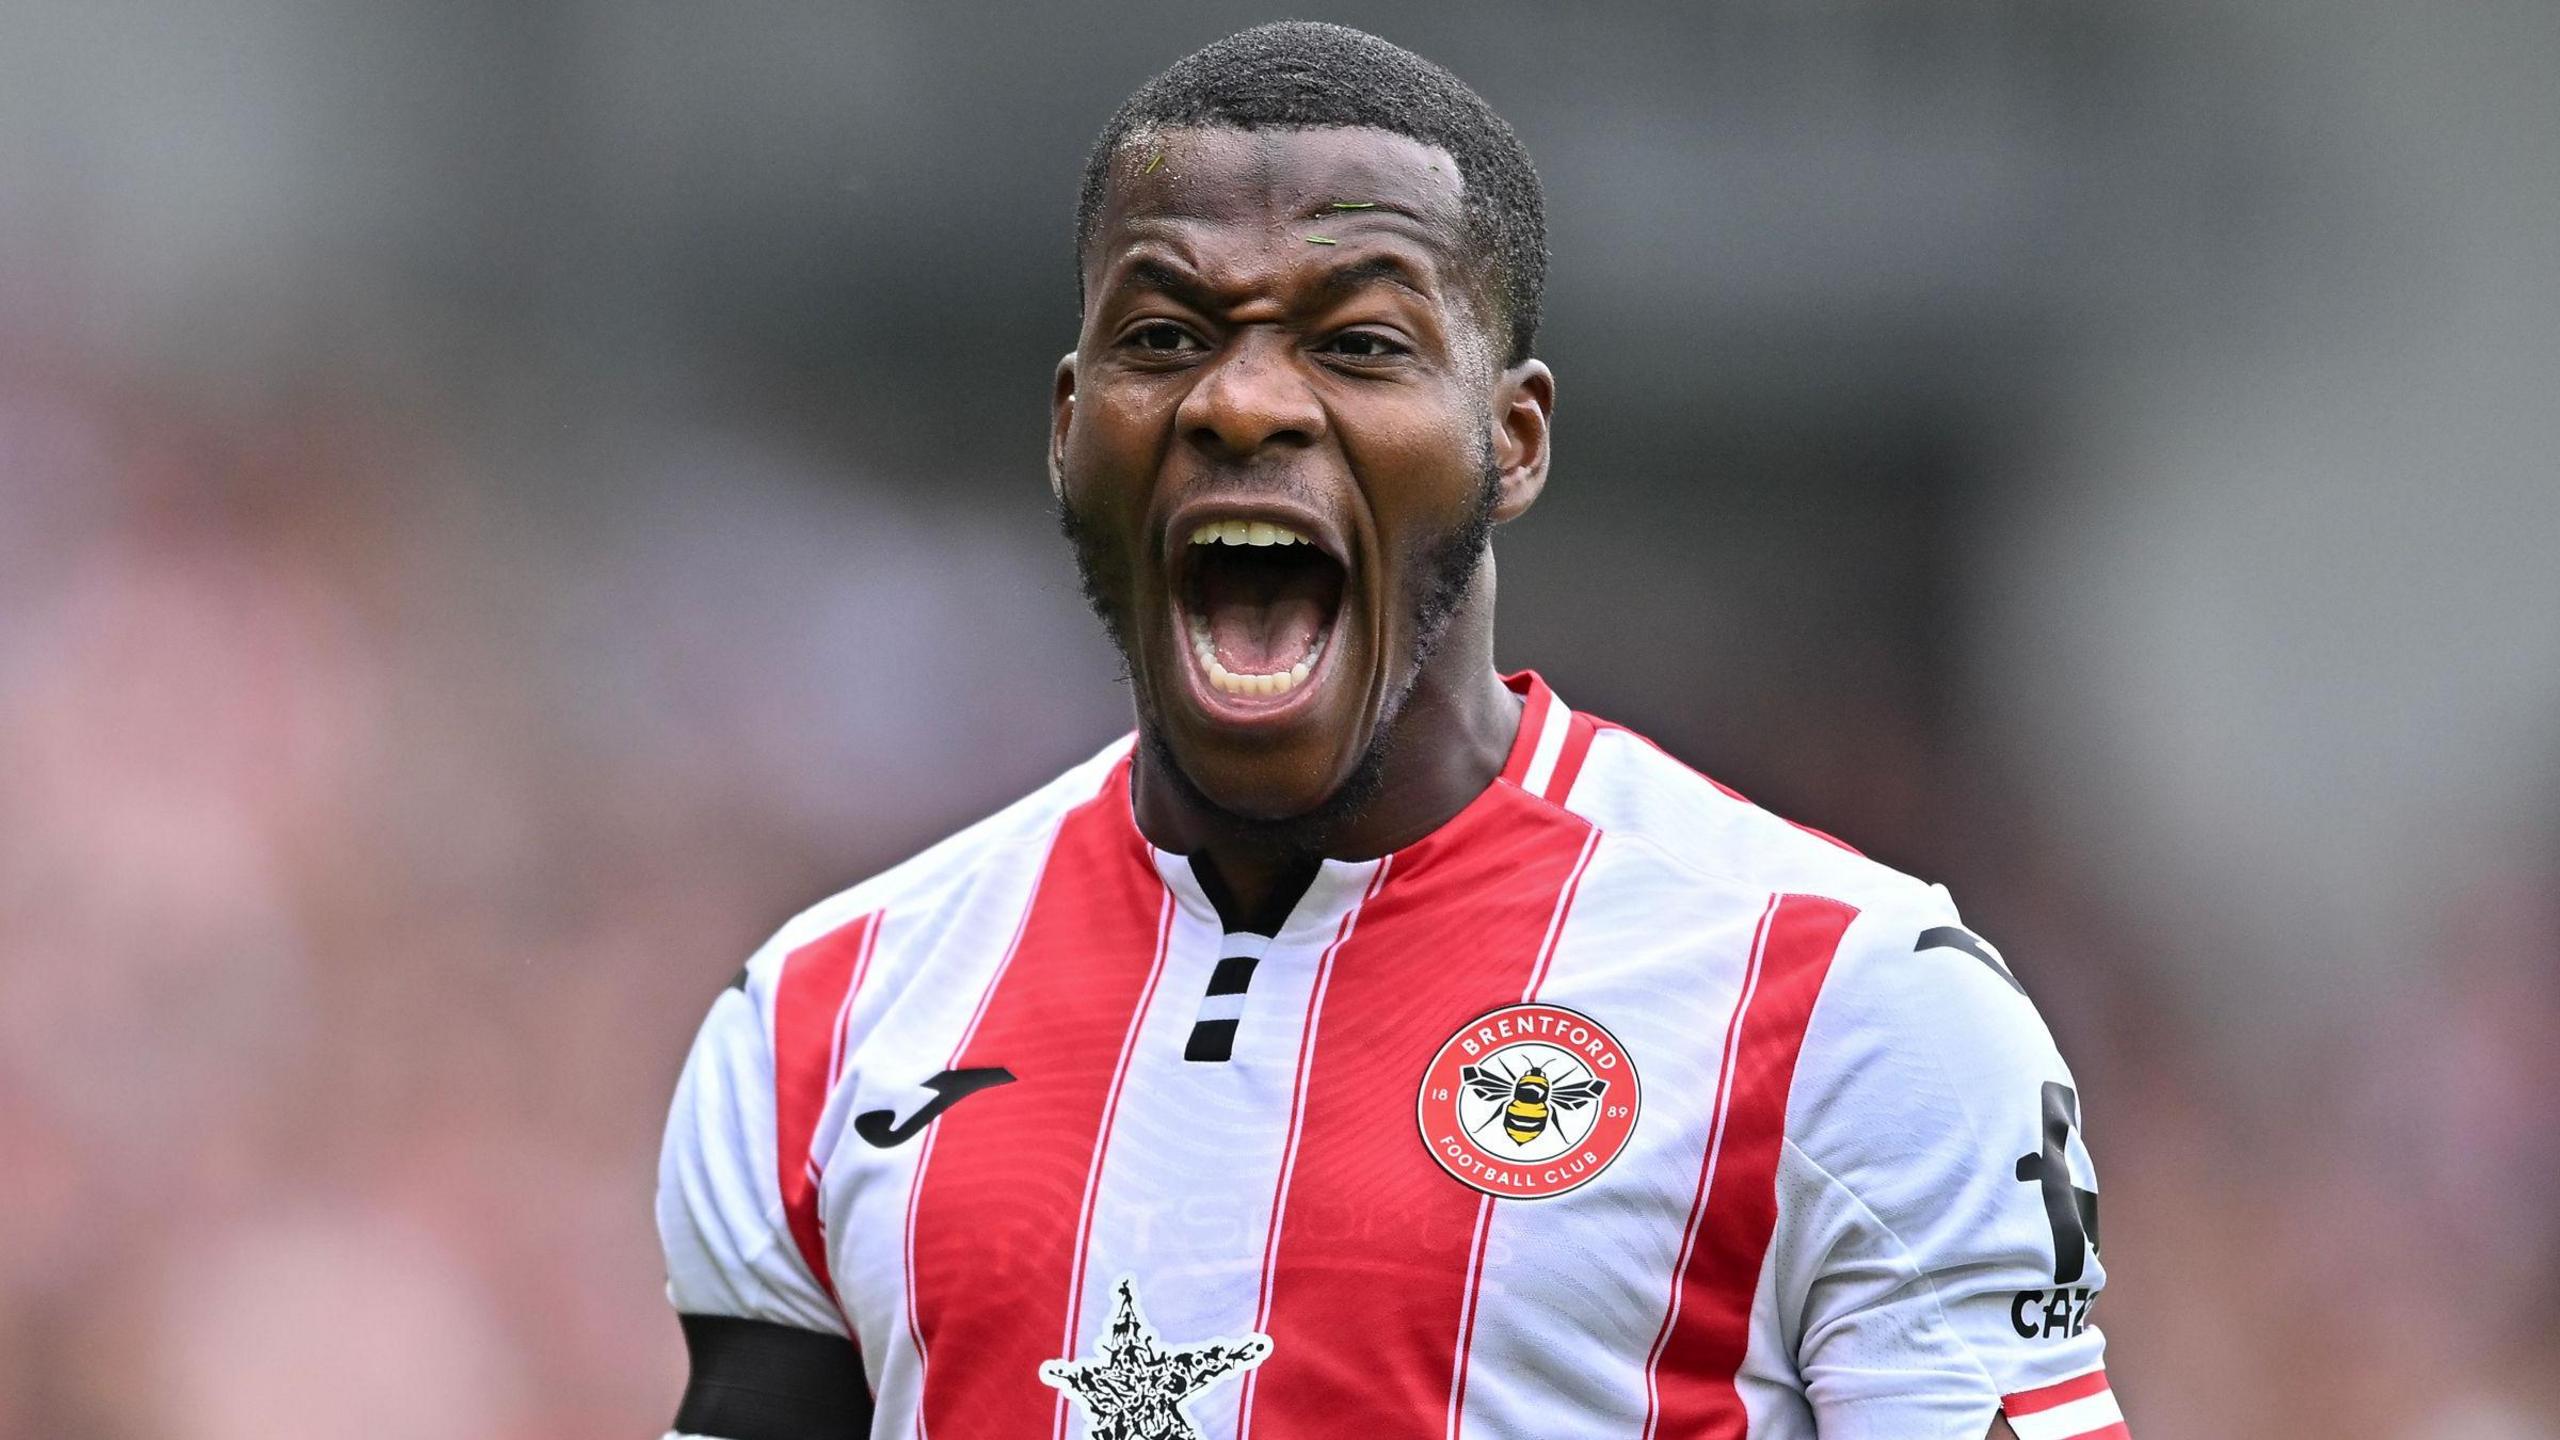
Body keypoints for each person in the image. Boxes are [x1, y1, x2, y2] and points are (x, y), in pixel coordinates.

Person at [656, 22, 2125, 1440]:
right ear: (1067, 423)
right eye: (1165, 334)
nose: (1240, 401)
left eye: (1358, 343)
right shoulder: (816, 1019)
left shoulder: (1854, 1003)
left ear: (1515, 438)